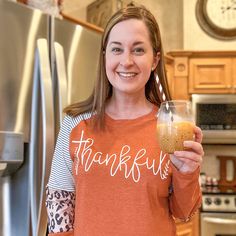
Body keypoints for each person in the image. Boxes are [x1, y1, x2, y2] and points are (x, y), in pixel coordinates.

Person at [46, 2, 204, 236]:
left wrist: (188, 173)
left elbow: (184, 212)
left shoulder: (171, 127)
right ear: (104, 56)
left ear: (155, 60)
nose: (126, 61)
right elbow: (59, 205)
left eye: (138, 50)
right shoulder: (75, 123)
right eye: (117, 49)